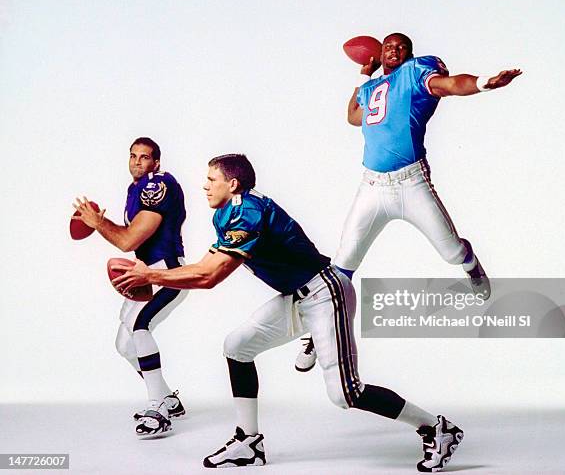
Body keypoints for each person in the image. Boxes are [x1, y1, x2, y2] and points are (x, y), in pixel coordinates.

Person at [112, 153, 464, 472]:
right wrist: (153, 275)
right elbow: (207, 267)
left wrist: (150, 275)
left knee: (345, 394)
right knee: (237, 346)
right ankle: (249, 442)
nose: (204, 184)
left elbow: (209, 276)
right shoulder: (227, 212)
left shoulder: (246, 211)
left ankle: (436, 427)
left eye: (212, 178)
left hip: (326, 293)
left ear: (232, 184)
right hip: (297, 297)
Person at [294, 32, 522, 372]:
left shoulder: (416, 74)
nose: (394, 50)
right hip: (371, 186)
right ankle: (320, 330)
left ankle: (470, 263)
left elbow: (449, 84)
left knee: (451, 251)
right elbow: (353, 116)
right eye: (388, 46)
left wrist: (485, 83)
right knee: (343, 263)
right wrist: (364, 75)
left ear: (409, 54)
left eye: (401, 47)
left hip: (410, 182)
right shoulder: (373, 87)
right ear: (380, 53)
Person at [72, 137, 188, 437]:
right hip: (145, 271)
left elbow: (129, 240)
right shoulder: (134, 188)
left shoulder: (156, 186)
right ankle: (168, 399)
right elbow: (128, 237)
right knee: (124, 344)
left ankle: (157, 409)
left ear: (156, 162)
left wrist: (98, 223)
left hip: (167, 270)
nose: (137, 162)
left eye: (144, 157)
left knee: (140, 326)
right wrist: (100, 222)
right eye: (133, 156)